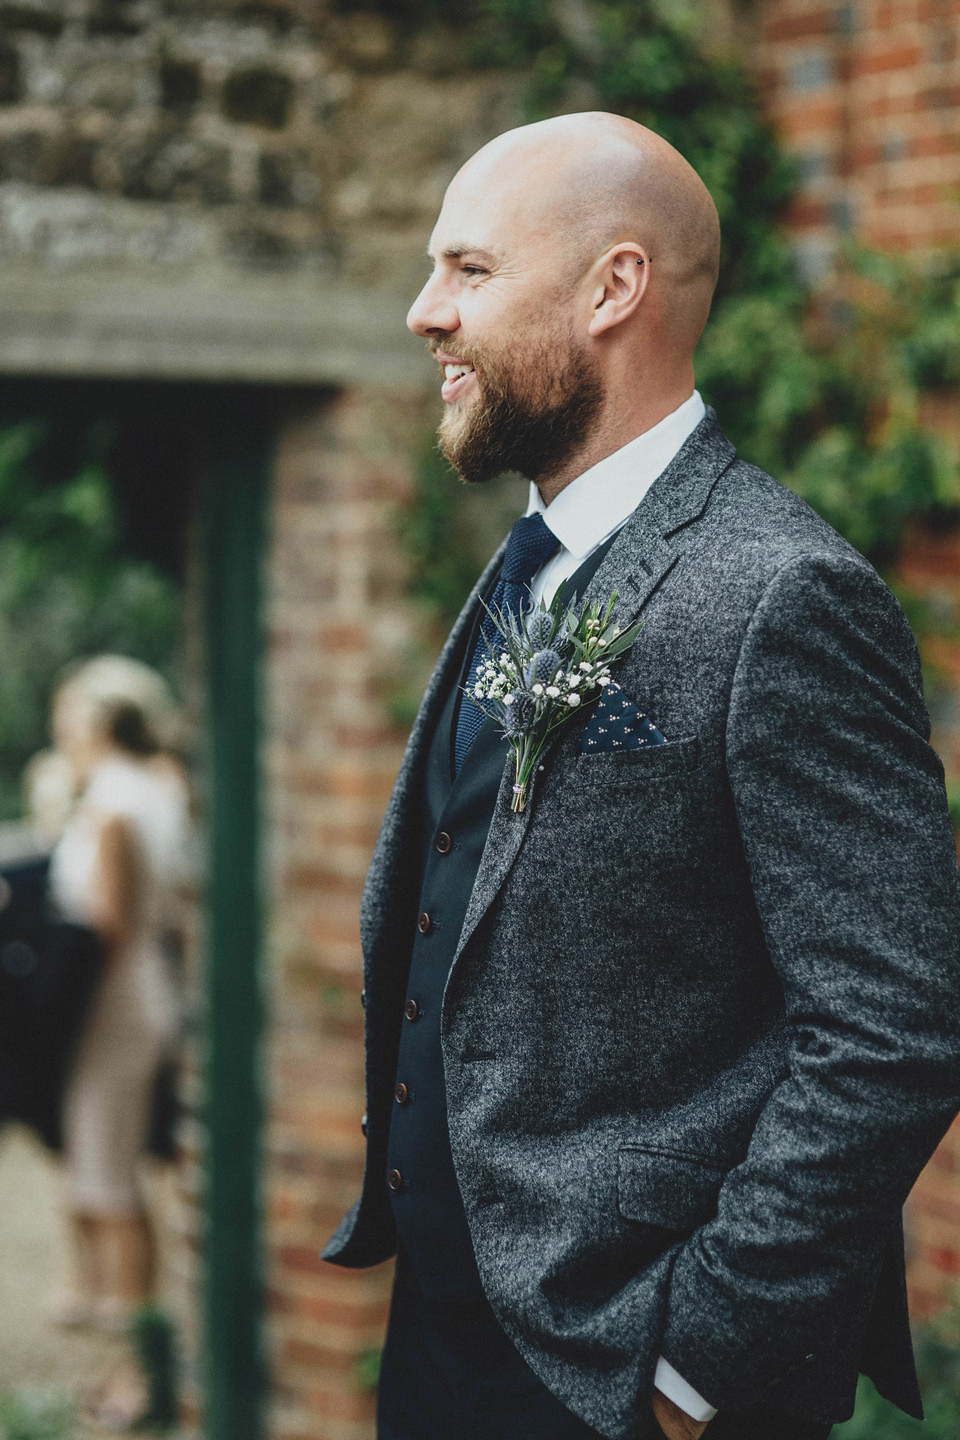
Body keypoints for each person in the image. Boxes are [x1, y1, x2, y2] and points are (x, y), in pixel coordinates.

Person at [323, 113, 960, 1440]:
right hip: (444, 1344)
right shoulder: (531, 562)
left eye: (470, 271)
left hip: (627, 1375)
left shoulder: (784, 595)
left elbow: (893, 1031)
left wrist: (697, 1371)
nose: (422, 313)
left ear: (612, 289)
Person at [46, 655, 192, 1349]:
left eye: (70, 711)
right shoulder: (156, 786)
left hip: (111, 1004)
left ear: (102, 719)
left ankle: (135, 1337)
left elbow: (108, 924)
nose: (61, 725)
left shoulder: (111, 806)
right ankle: (123, 1319)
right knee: (111, 1157)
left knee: (106, 1166)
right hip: (144, 991)